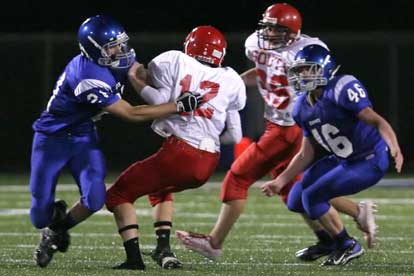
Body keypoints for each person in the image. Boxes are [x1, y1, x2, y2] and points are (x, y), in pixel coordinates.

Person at [176, 2, 377, 262]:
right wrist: (230, 84)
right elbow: (263, 73)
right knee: (292, 189)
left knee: (237, 177)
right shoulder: (257, 45)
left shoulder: (305, 51)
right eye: (266, 27)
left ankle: (214, 243)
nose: (267, 33)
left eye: (275, 29)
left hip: (289, 127)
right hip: (275, 123)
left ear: (292, 32)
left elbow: (317, 85)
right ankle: (336, 235)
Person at [29, 15, 201, 268]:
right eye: (112, 46)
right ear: (93, 49)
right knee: (38, 216)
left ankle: (55, 230)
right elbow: (130, 114)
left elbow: (138, 72)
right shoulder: (87, 75)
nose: (120, 50)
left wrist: (183, 78)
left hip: (84, 136)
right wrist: (175, 106)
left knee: (95, 198)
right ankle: (49, 223)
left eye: (121, 43)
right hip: (52, 139)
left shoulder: (117, 57)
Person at [104, 25, 247, 270]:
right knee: (159, 189)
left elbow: (159, 101)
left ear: (190, 45)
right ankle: (163, 250)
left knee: (117, 194)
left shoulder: (174, 59)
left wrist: (131, 74)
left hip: (181, 152)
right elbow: (235, 134)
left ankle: (133, 259)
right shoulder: (232, 78)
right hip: (209, 159)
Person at [261, 44, 403, 265]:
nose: (302, 75)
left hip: (369, 159)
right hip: (343, 159)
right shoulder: (301, 108)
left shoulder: (342, 87)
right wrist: (281, 181)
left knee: (312, 197)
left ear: (324, 69)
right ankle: (329, 241)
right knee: (295, 199)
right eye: (299, 70)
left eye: (308, 69)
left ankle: (347, 245)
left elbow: (375, 120)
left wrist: (393, 145)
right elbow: (306, 152)